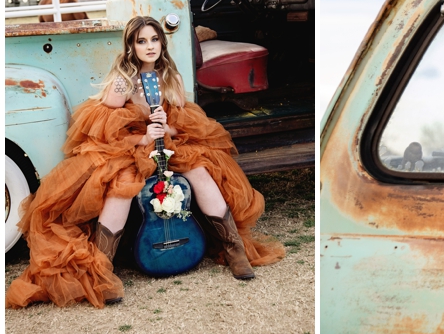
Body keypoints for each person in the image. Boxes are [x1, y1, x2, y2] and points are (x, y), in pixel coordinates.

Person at [6, 16, 284, 310]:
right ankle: (103, 269)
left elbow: (185, 122)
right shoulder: (122, 82)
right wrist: (141, 139)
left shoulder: (170, 77)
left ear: (162, 43)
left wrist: (166, 129)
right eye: (142, 41)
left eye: (154, 39)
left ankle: (234, 249)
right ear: (132, 46)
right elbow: (104, 128)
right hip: (129, 149)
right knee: (121, 187)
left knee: (201, 172)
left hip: (168, 145)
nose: (149, 46)